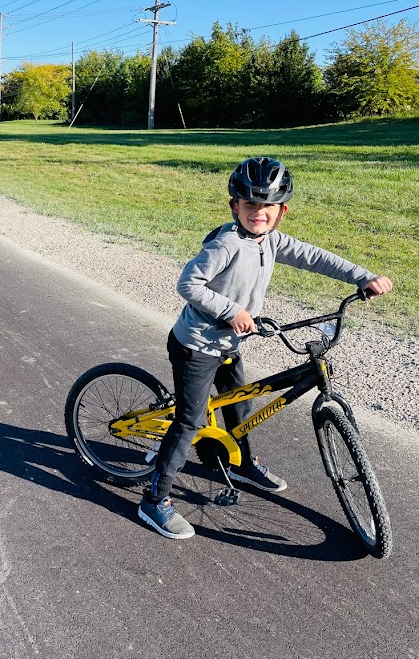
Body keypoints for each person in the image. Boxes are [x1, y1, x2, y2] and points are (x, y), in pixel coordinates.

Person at [138, 156, 393, 540]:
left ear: (282, 211)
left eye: (267, 206)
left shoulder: (271, 241)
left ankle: (239, 462)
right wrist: (232, 310)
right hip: (197, 345)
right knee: (190, 420)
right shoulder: (226, 243)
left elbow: (315, 256)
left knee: (239, 403)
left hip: (231, 341)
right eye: (250, 204)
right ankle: (155, 499)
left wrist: (364, 277)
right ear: (234, 206)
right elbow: (189, 284)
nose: (259, 212)